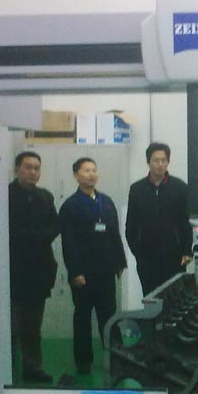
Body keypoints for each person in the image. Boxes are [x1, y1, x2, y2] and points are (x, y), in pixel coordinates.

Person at [58, 157, 127, 374]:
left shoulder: (106, 201)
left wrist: (120, 261)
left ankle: (115, 357)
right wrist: (75, 271)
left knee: (109, 316)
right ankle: (83, 361)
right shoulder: (70, 206)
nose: (91, 174)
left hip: (106, 269)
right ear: (76, 175)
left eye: (94, 170)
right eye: (86, 170)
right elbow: (68, 242)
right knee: (83, 317)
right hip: (84, 273)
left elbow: (115, 233)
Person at [8, 151, 60, 383]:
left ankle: (33, 367)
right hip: (13, 272)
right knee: (11, 327)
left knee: (32, 327)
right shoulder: (5, 196)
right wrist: (36, 237)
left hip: (39, 273)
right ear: (17, 169)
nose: (32, 172)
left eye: (36, 168)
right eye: (28, 167)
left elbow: (55, 226)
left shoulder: (45, 197)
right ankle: (8, 369)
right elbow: (11, 231)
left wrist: (36, 237)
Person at [125, 142, 193, 295]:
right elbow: (131, 225)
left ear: (168, 162)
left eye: (164, 160)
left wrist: (187, 251)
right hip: (147, 258)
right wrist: (138, 253)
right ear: (148, 162)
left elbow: (185, 222)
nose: (160, 165)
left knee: (175, 299)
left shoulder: (180, 187)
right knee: (151, 299)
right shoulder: (137, 189)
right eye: (156, 160)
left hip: (175, 257)